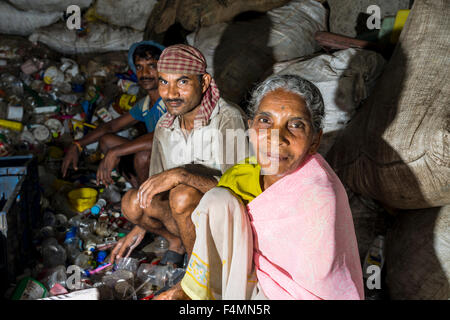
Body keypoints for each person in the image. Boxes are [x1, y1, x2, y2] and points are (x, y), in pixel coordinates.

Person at [155, 74, 364, 300]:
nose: (277, 138)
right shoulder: (245, 172)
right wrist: (186, 288)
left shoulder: (318, 195)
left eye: (295, 125)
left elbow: (315, 291)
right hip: (251, 286)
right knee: (217, 201)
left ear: (314, 140)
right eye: (265, 121)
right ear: (250, 128)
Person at [110, 44, 248, 268]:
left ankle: (199, 274)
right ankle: (179, 242)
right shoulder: (165, 126)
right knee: (132, 202)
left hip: (226, 218)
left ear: (203, 83)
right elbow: (155, 189)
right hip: (185, 216)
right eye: (164, 82)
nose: (171, 93)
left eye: (182, 81)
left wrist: (183, 176)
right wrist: (140, 226)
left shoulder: (227, 119)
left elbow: (241, 191)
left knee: (182, 195)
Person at [61, 41, 167, 188]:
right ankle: (137, 191)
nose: (145, 73)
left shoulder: (171, 100)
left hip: (178, 158)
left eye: (152, 66)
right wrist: (78, 144)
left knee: (143, 156)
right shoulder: (145, 104)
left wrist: (116, 152)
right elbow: (111, 126)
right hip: (158, 156)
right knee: (107, 140)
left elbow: (162, 136)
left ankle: (148, 204)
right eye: (139, 67)